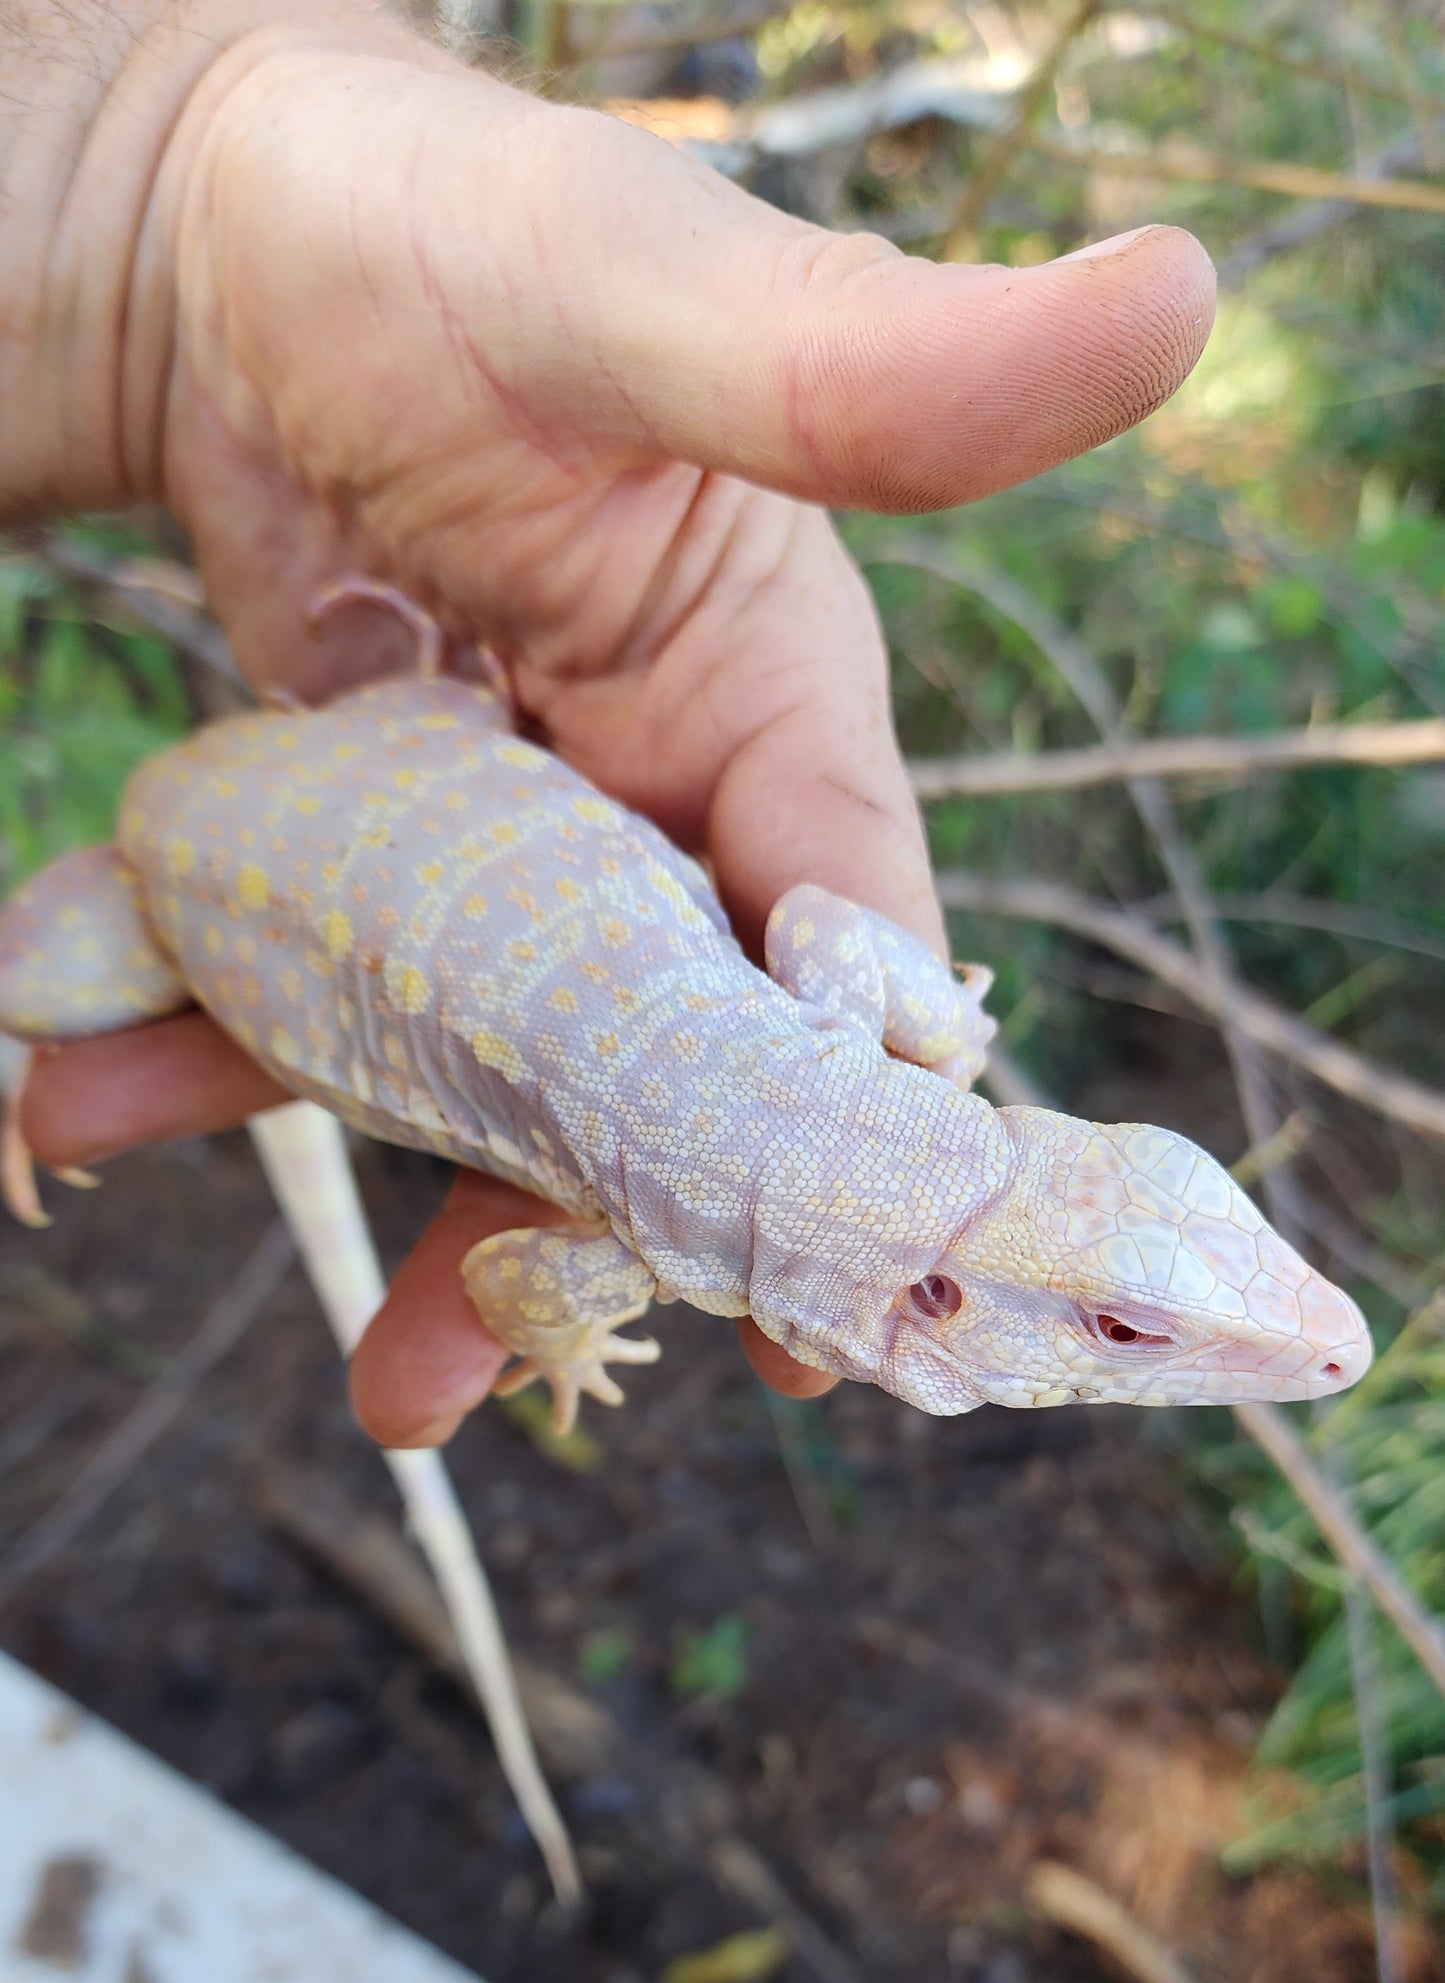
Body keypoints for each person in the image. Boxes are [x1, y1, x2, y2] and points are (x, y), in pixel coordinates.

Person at [1, 0, 1215, 1445]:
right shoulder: (631, 1248)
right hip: (186, 868)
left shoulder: (827, 1019)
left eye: (1130, 1317)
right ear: (932, 1301)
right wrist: (566, 1344)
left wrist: (936, 1018)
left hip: (396, 745)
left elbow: (831, 922)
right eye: (1123, 1331)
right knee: (33, 1005)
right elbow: (519, 1282)